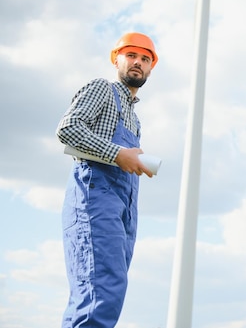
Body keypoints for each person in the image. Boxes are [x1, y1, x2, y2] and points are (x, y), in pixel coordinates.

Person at [56, 32, 158, 328]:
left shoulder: (135, 120)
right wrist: (117, 154)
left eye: (145, 58)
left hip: (122, 211)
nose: (137, 63)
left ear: (151, 67)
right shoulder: (103, 90)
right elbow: (68, 129)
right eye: (131, 56)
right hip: (95, 200)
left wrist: (132, 160)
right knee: (100, 293)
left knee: (105, 292)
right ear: (117, 60)